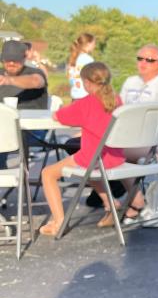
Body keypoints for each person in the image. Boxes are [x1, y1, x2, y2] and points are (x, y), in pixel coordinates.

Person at [38, 62, 127, 236]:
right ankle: (111, 204)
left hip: (93, 158)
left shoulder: (85, 103)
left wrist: (57, 112)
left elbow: (60, 117)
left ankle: (58, 222)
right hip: (114, 157)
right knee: (90, 171)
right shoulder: (117, 99)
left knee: (48, 173)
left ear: (86, 82)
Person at [0, 40, 49, 170]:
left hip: (32, 131)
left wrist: (8, 80)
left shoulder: (35, 73)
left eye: (15, 60)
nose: (11, 63)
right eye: (7, 60)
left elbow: (36, 82)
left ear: (24, 58)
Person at [67, 32, 97, 100]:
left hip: (74, 96)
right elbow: (93, 78)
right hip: (85, 96)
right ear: (88, 44)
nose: (94, 46)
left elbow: (70, 79)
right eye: (94, 44)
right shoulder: (88, 59)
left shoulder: (73, 58)